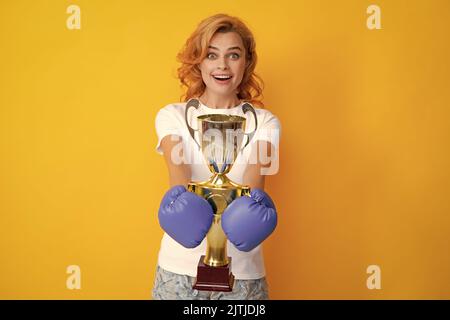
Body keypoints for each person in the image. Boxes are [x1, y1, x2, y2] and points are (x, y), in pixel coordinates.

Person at [152, 13, 281, 300]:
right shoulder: (172, 116)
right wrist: (184, 211)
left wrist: (248, 218)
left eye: (233, 55)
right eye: (212, 55)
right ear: (199, 61)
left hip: (243, 276)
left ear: (246, 62)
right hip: (179, 271)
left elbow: (253, 189)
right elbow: (179, 178)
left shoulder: (264, 122)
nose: (222, 65)